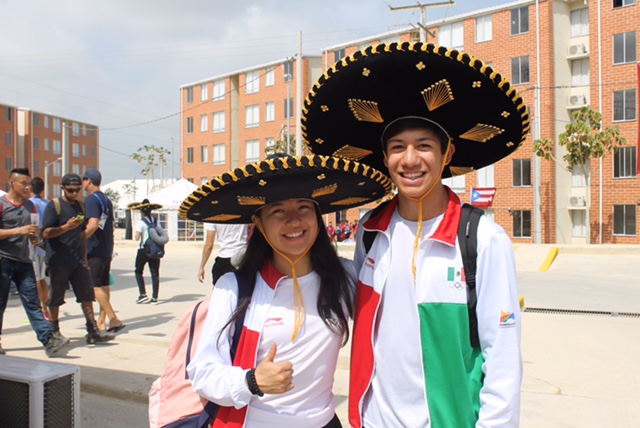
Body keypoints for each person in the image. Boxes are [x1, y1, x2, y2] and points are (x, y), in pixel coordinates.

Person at [302, 42, 530, 427]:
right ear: (385, 158)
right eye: (397, 148)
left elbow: (502, 353)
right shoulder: (371, 231)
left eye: (424, 146)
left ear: (447, 153)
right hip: (373, 419)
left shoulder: (482, 239)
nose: (410, 160)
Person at [182, 154, 392, 427]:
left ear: (317, 216)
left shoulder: (344, 276)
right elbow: (202, 373)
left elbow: (387, 327)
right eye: (278, 210)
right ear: (259, 223)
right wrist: (252, 381)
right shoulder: (235, 288)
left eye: (304, 207)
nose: (294, 220)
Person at [0, 168, 69, 357]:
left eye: (29, 184)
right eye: (24, 183)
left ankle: (48, 340)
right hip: (3, 260)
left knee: (33, 303)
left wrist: (35, 239)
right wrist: (18, 231)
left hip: (24, 261)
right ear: (11, 183)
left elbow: (33, 230)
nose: (28, 187)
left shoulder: (30, 206)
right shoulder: (1, 204)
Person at [42, 173, 116, 344]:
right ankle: (54, 331)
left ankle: (92, 330)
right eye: (70, 190)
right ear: (63, 188)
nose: (74, 193)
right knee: (56, 297)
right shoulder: (54, 206)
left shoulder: (81, 207)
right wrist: (65, 227)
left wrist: (84, 258)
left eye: (77, 190)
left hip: (78, 260)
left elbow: (82, 235)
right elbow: (45, 233)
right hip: (58, 260)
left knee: (87, 295)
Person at [83, 167, 124, 332]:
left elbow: (93, 225)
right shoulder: (106, 199)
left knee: (94, 286)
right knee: (104, 284)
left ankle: (113, 319)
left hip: (95, 249)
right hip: (107, 248)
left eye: (83, 180)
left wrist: (79, 239)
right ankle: (101, 321)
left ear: (89, 181)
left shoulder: (91, 200)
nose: (83, 184)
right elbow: (110, 224)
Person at [133, 199, 166, 304]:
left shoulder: (141, 222)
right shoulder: (156, 221)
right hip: (155, 249)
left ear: (142, 211)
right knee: (155, 274)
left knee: (138, 271)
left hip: (143, 250)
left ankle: (143, 294)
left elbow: (137, 238)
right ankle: (155, 298)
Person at [29, 176, 50, 319]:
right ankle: (45, 307)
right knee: (42, 278)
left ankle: (40, 310)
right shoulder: (48, 204)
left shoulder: (29, 204)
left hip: (32, 245)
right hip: (45, 244)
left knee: (36, 279)